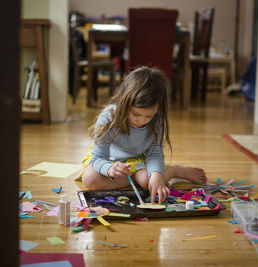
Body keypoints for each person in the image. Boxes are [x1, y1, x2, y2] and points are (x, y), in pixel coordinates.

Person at [79, 66, 207, 204]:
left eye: (148, 116)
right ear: (124, 103)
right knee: (91, 179)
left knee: (151, 181)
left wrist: (156, 175)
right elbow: (98, 157)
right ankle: (136, 178)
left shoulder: (157, 120)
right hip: (109, 161)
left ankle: (176, 170)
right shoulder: (109, 117)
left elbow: (154, 153)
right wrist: (110, 169)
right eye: (136, 114)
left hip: (138, 160)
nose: (141, 121)